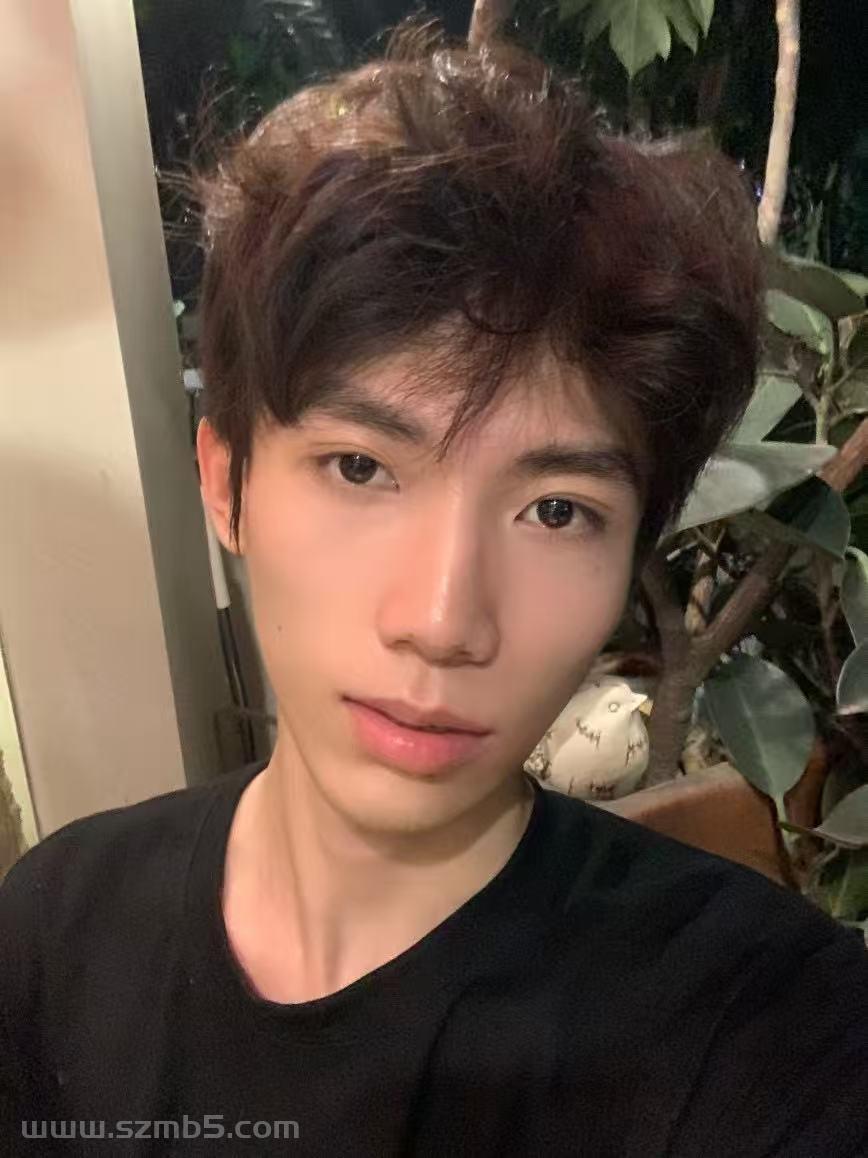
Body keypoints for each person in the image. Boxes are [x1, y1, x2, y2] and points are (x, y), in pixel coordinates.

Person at [2, 22, 867, 1157]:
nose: (443, 621)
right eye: (361, 469)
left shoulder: (767, 1033)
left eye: (556, 510)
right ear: (226, 483)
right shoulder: (54, 931)